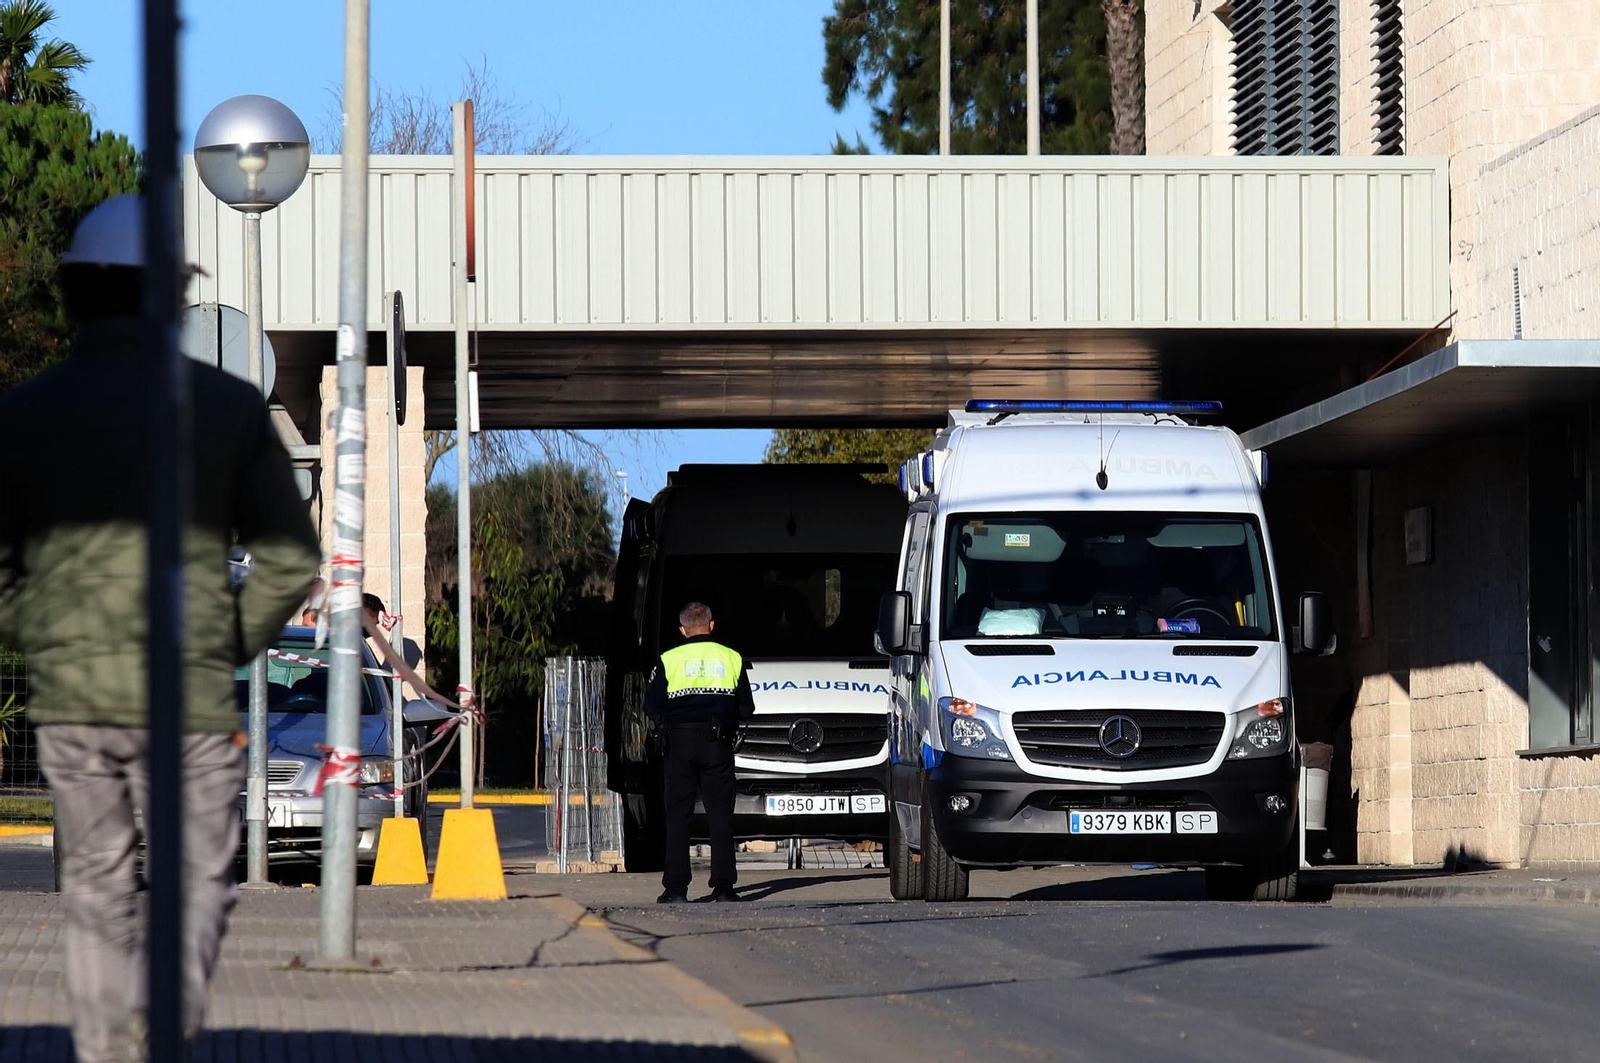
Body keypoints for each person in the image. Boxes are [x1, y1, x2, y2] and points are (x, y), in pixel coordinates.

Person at [0, 195, 320, 1063]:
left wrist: (36, 625)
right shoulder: (225, 409)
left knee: (98, 881)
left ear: (74, 295)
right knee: (194, 878)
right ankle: (163, 1028)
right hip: (188, 700)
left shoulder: (24, 415)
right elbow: (293, 559)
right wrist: (224, 642)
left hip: (74, 700)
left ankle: (108, 1048)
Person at [643, 601, 754, 904]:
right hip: (718, 742)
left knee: (677, 816)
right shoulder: (731, 658)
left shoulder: (670, 658)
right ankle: (723, 888)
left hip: (679, 743)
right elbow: (747, 708)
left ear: (682, 630)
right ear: (712, 625)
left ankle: (676, 889)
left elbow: (650, 705)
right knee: (720, 816)